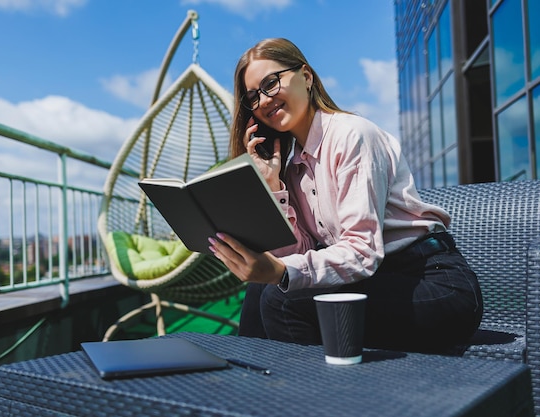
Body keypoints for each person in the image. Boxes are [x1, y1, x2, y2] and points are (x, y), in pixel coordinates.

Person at [207, 38, 483, 353]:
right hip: (373, 282)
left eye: (271, 83)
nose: (264, 100)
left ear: (306, 77)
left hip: (432, 284)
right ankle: (253, 386)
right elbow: (302, 250)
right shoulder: (293, 167)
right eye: (252, 97)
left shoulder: (352, 136)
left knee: (282, 296)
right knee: (264, 288)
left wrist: (281, 272)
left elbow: (362, 252)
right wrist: (273, 187)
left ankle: (318, 399)